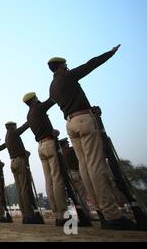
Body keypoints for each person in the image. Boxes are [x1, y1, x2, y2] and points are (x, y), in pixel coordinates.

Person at [48, 45, 135, 230]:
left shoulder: (52, 88)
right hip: (83, 119)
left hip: (70, 123)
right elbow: (91, 64)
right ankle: (112, 214)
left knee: (85, 167)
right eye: (65, 65)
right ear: (62, 66)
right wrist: (109, 53)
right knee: (96, 166)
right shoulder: (67, 76)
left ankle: (101, 210)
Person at [23, 92, 68, 226]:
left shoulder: (29, 115)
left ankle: (57, 213)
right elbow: (52, 99)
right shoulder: (38, 108)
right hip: (49, 144)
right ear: (34, 99)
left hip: (41, 147)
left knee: (49, 180)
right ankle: (63, 213)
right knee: (57, 178)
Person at [5, 121, 43, 224]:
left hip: (13, 162)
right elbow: (23, 128)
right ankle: (30, 215)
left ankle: (25, 214)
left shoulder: (7, 137)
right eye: (14, 126)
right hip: (19, 161)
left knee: (20, 189)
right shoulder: (12, 133)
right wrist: (30, 120)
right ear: (11, 127)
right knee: (25, 187)